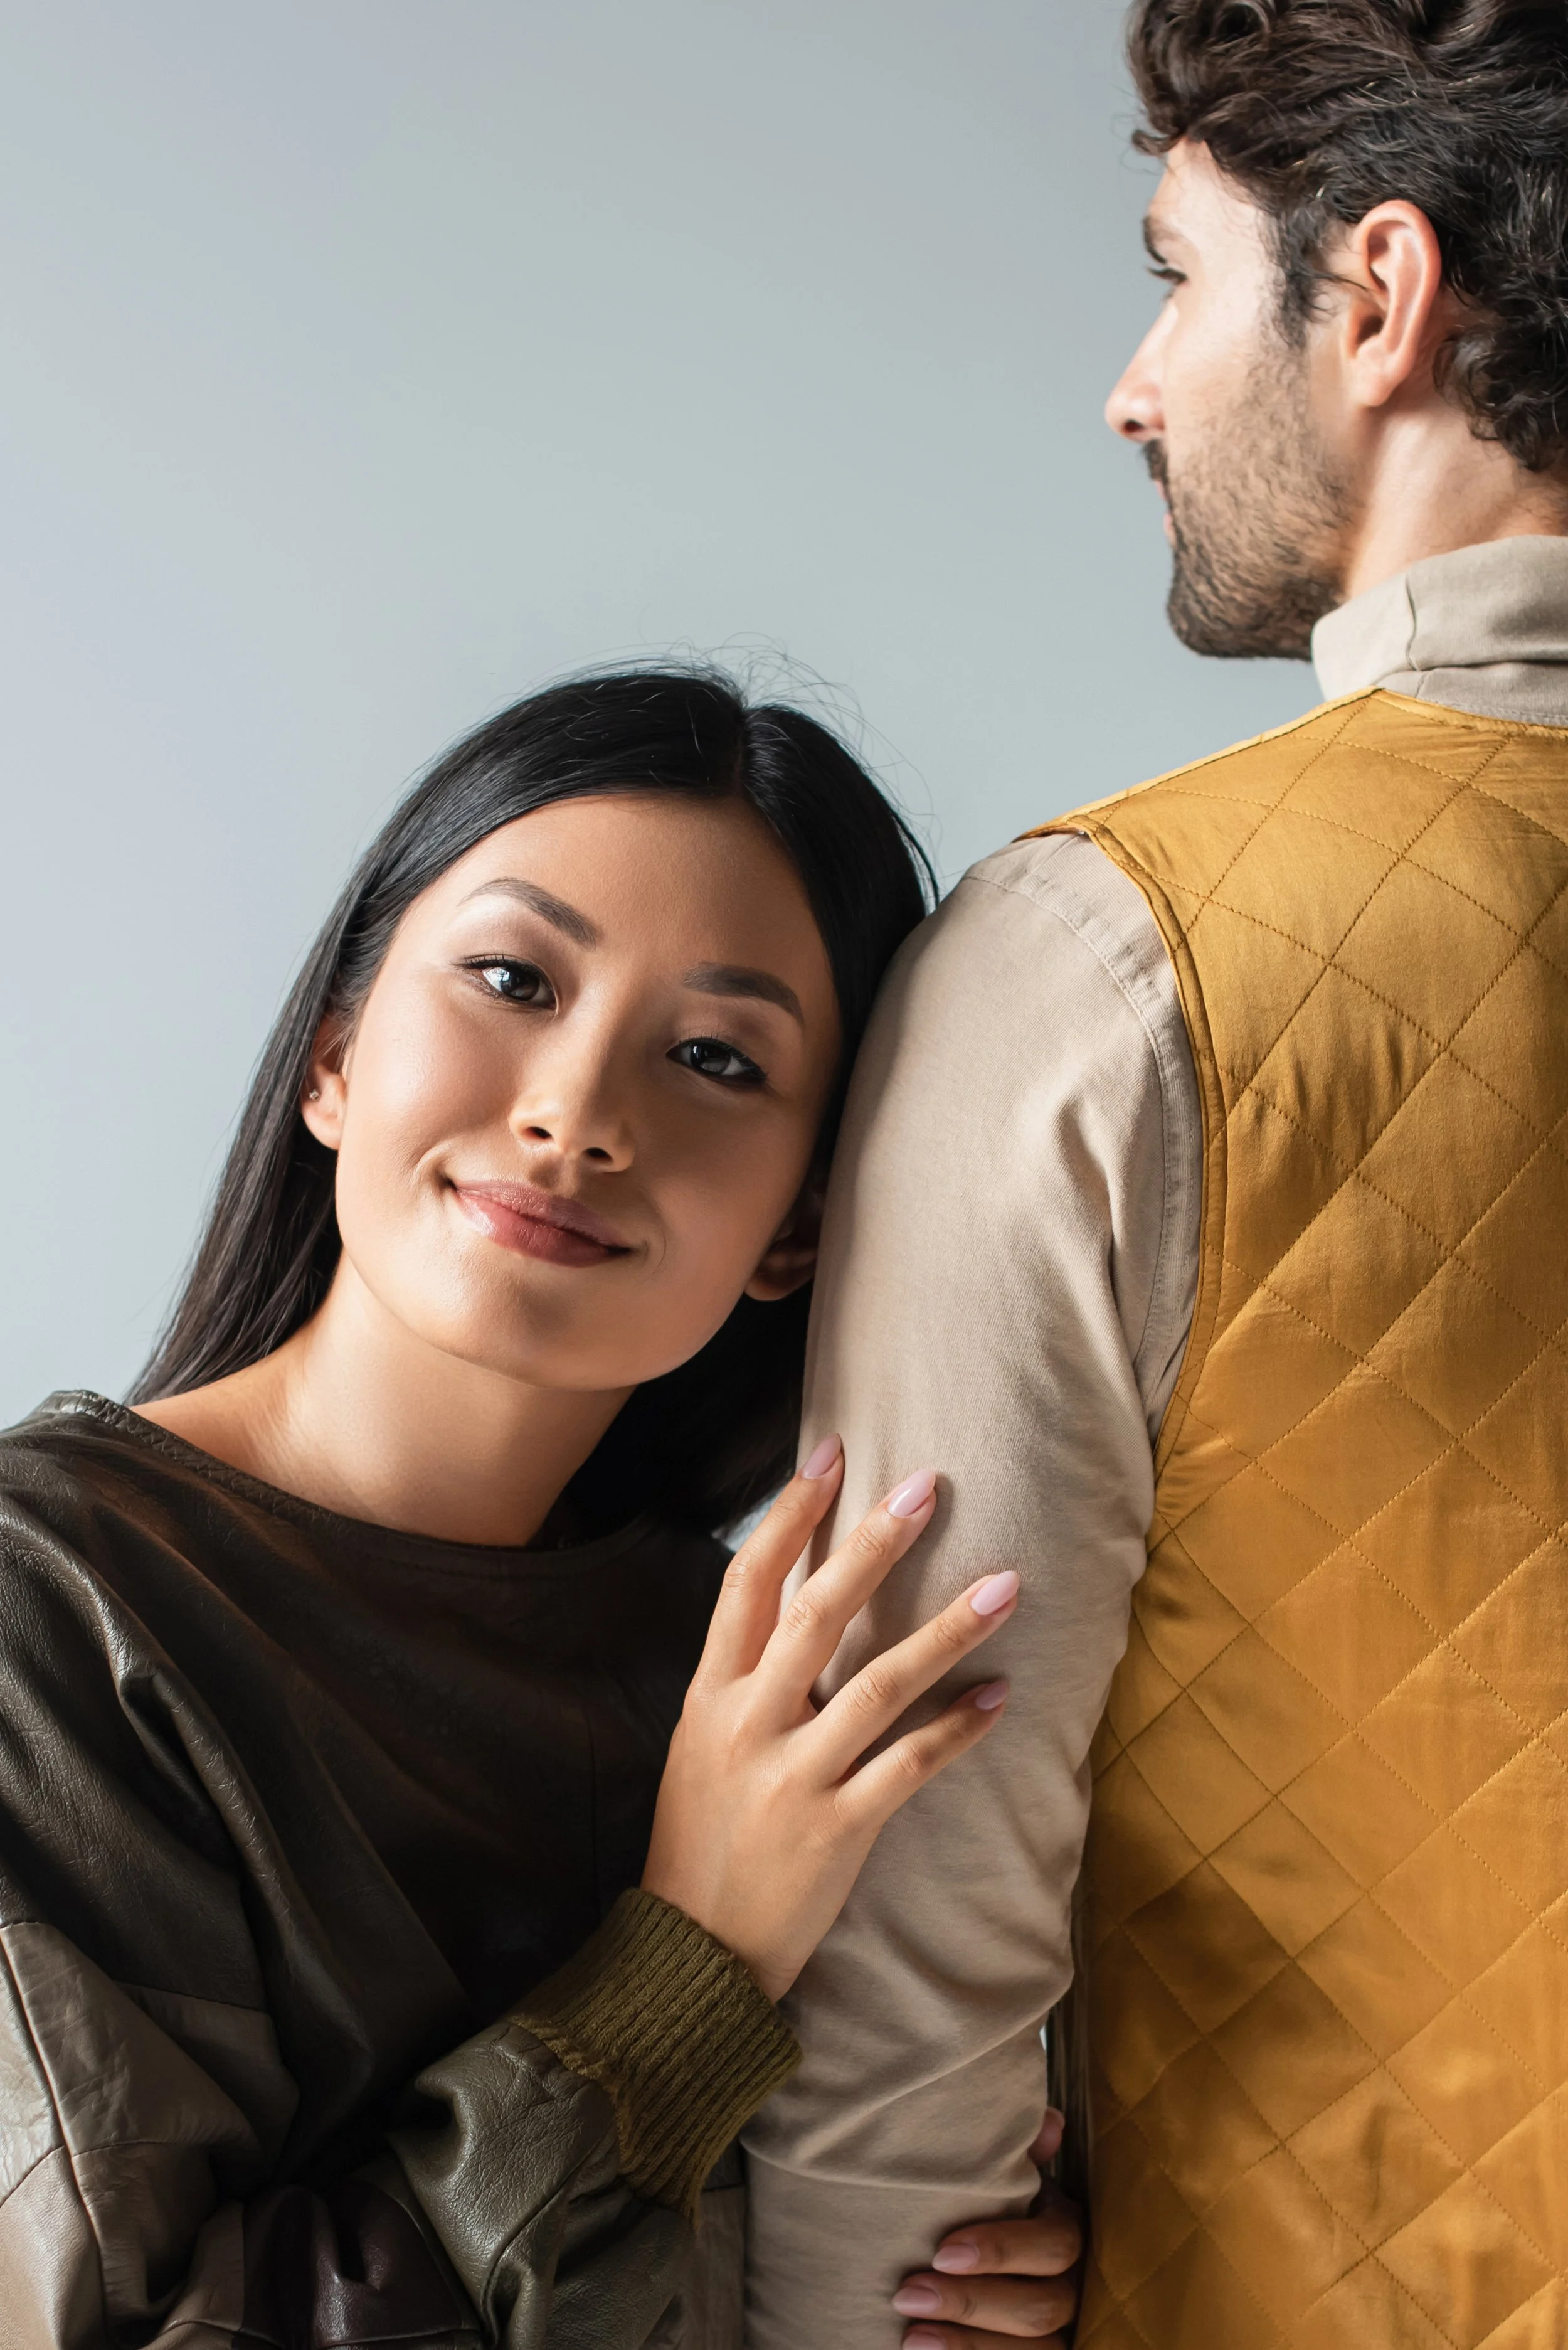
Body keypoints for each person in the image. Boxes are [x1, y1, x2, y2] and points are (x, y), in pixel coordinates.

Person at [741, 4, 1568, 2346]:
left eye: (1176, 278)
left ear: (1381, 296)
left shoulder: (1108, 962)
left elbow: (911, 1903)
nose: (1132, 389)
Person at [0, 668, 1079, 2346]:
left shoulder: (763, 1699)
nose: (577, 1113)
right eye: (514, 979)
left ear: (799, 1227)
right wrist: (690, 1961)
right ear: (337, 1057)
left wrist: (980, 2259)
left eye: (715, 1057)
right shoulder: (52, 1618)